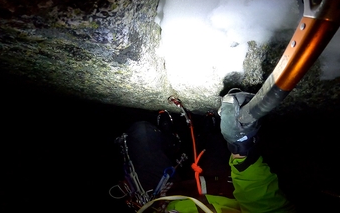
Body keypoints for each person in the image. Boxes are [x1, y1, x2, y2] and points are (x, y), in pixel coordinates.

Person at [111, 90, 296, 213]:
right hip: (222, 194)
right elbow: (267, 208)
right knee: (215, 143)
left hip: (166, 201)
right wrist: (241, 147)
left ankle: (172, 141)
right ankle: (207, 132)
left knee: (141, 133)